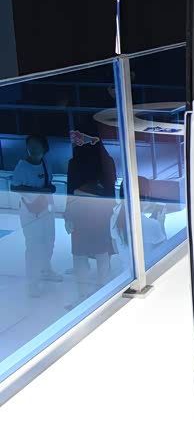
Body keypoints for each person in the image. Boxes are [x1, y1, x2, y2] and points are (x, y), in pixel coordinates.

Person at [64, 130, 117, 309]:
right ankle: (84, 295)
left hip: (97, 213)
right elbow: (70, 191)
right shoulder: (75, 162)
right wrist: (68, 214)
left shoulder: (104, 161)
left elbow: (109, 190)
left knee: (99, 253)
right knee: (82, 254)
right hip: (83, 213)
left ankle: (101, 292)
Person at [10, 135, 60, 297]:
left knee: (49, 240)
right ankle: (32, 283)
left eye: (36, 145)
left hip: (46, 208)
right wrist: (40, 191)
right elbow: (14, 187)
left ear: (44, 148)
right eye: (30, 145)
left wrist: (49, 189)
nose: (33, 148)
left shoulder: (46, 163)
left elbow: (48, 183)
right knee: (33, 246)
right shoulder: (22, 167)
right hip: (30, 211)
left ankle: (46, 270)